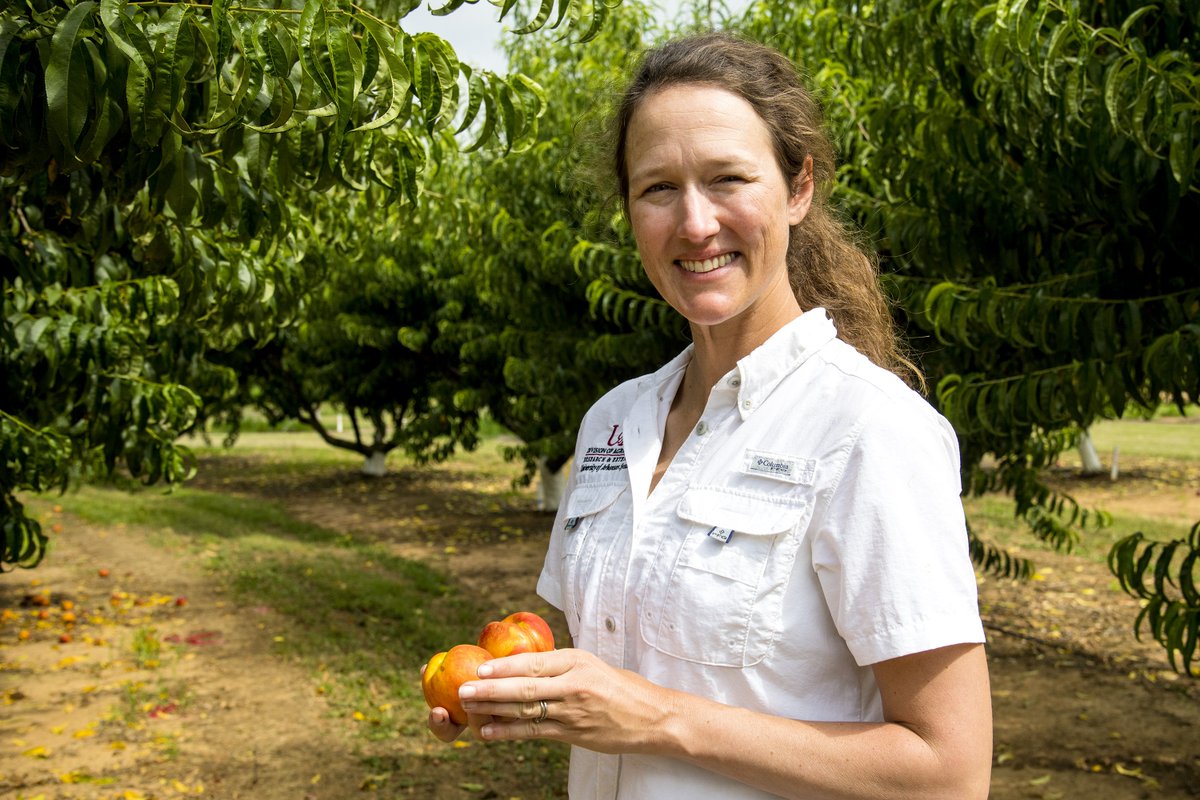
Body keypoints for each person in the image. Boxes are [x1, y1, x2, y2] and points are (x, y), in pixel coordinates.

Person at [427, 31, 992, 799]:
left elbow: (948, 774)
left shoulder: (868, 429)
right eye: (658, 188)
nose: (695, 224)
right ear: (628, 210)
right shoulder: (613, 423)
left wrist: (656, 717)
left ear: (798, 189)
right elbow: (629, 669)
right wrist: (510, 687)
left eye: (727, 178)